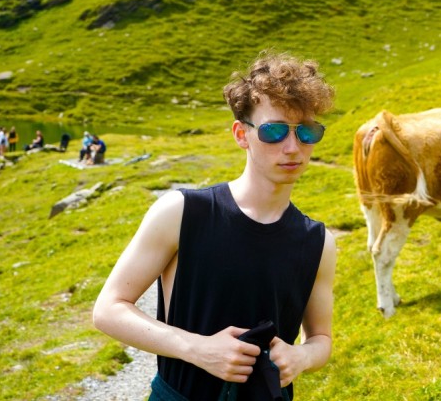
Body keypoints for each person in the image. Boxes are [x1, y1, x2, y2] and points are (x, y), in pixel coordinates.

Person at [92, 52, 337, 400]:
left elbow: (320, 340)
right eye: (274, 131)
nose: (293, 147)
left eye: (308, 132)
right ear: (242, 134)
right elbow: (108, 309)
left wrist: (301, 356)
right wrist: (196, 348)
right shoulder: (182, 212)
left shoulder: (318, 241)